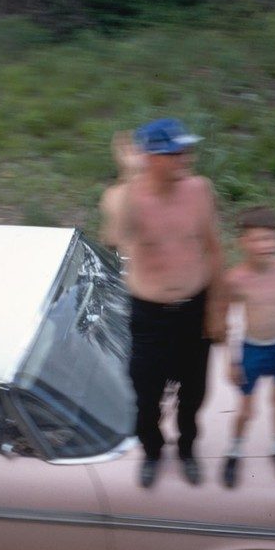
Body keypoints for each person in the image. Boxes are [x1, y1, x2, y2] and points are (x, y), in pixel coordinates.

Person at [116, 118, 225, 488]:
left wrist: (216, 311)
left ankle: (187, 450)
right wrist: (132, 177)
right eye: (175, 152)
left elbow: (214, 249)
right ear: (150, 158)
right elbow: (120, 232)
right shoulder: (124, 197)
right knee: (146, 399)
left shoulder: (199, 189)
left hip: (195, 310)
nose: (186, 158)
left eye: (186, 149)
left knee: (194, 395)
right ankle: (152, 452)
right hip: (150, 316)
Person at [221, 206, 275, 488]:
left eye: (270, 239)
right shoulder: (235, 279)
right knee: (246, 409)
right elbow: (228, 321)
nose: (264, 245)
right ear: (243, 242)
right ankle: (234, 451)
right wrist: (231, 360)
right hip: (252, 348)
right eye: (257, 239)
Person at [98, 130, 144, 252]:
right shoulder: (112, 194)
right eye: (126, 149)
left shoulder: (159, 188)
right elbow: (111, 238)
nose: (134, 151)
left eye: (136, 148)